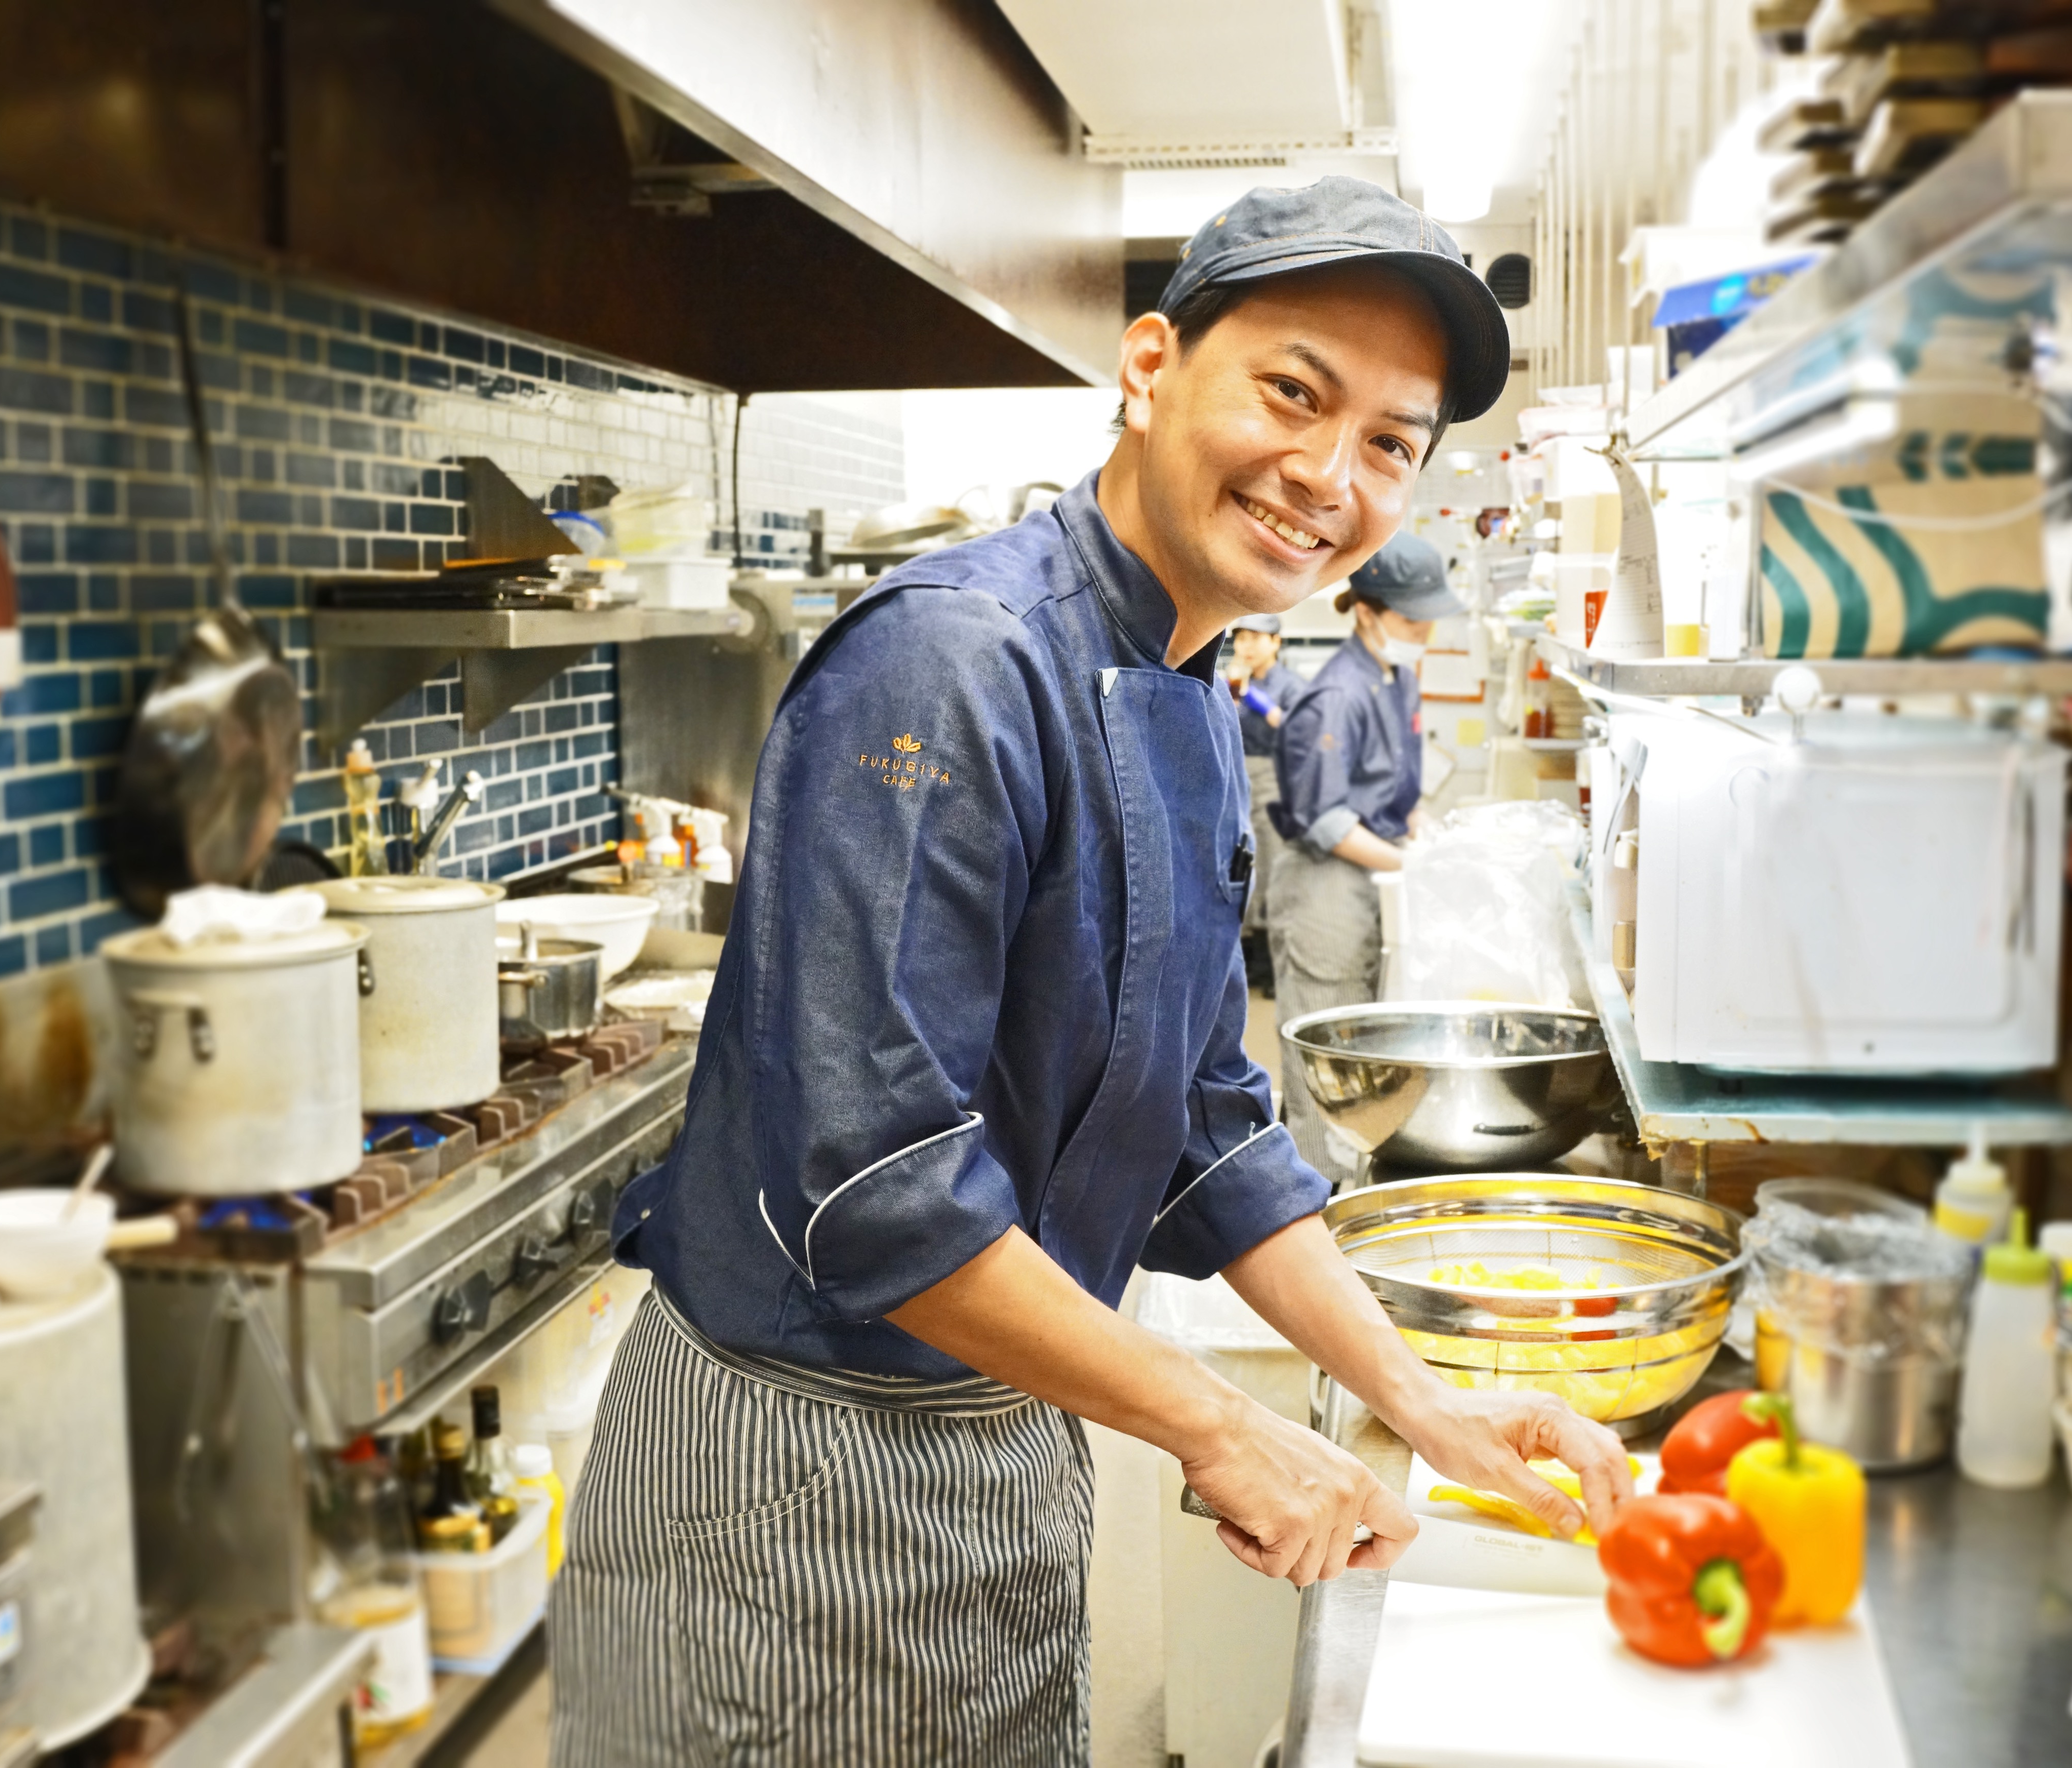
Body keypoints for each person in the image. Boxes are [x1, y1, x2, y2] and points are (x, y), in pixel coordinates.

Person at [551, 179, 1630, 1768]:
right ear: (1146, 365)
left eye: (1390, 442)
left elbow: (1207, 1121)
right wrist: (1221, 1429)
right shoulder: (955, 660)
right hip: (793, 1474)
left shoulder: (1188, 683)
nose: (1327, 475)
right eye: (1290, 391)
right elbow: (877, 1195)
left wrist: (1425, 1404)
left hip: (993, 1438)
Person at [1266, 531, 1460, 1185]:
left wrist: (1419, 826)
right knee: (1323, 1045)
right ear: (1368, 612)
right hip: (1325, 884)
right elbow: (1326, 819)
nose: (1424, 635)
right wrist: (1413, 867)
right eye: (1413, 620)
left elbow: (1397, 785)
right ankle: (1312, 1197)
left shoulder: (1397, 677)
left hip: (1373, 873)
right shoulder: (1336, 696)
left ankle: (1350, 1180)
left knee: (1363, 1038)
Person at [1225, 612, 1301, 983]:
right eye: (1241, 639)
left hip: (1274, 779)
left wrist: (1259, 703)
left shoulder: (1290, 685)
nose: (1247, 646)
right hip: (1234, 777)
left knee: (1272, 863)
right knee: (1238, 863)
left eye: (1257, 638)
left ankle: (1272, 966)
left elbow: (1298, 731)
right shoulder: (1230, 683)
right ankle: (1247, 957)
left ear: (1275, 642)